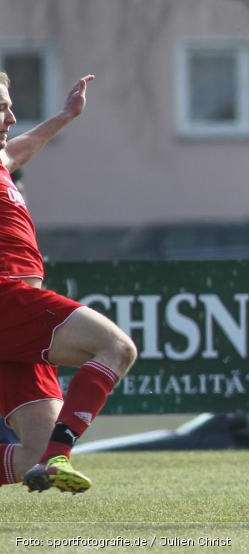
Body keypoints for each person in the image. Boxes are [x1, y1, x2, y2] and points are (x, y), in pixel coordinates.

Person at [0, 72, 137, 494]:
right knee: (116, 347)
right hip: (7, 300)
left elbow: (18, 151)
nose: (12, 116)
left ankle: (51, 456)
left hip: (19, 314)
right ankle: (61, 457)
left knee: (32, 454)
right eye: (1, 108)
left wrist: (64, 117)